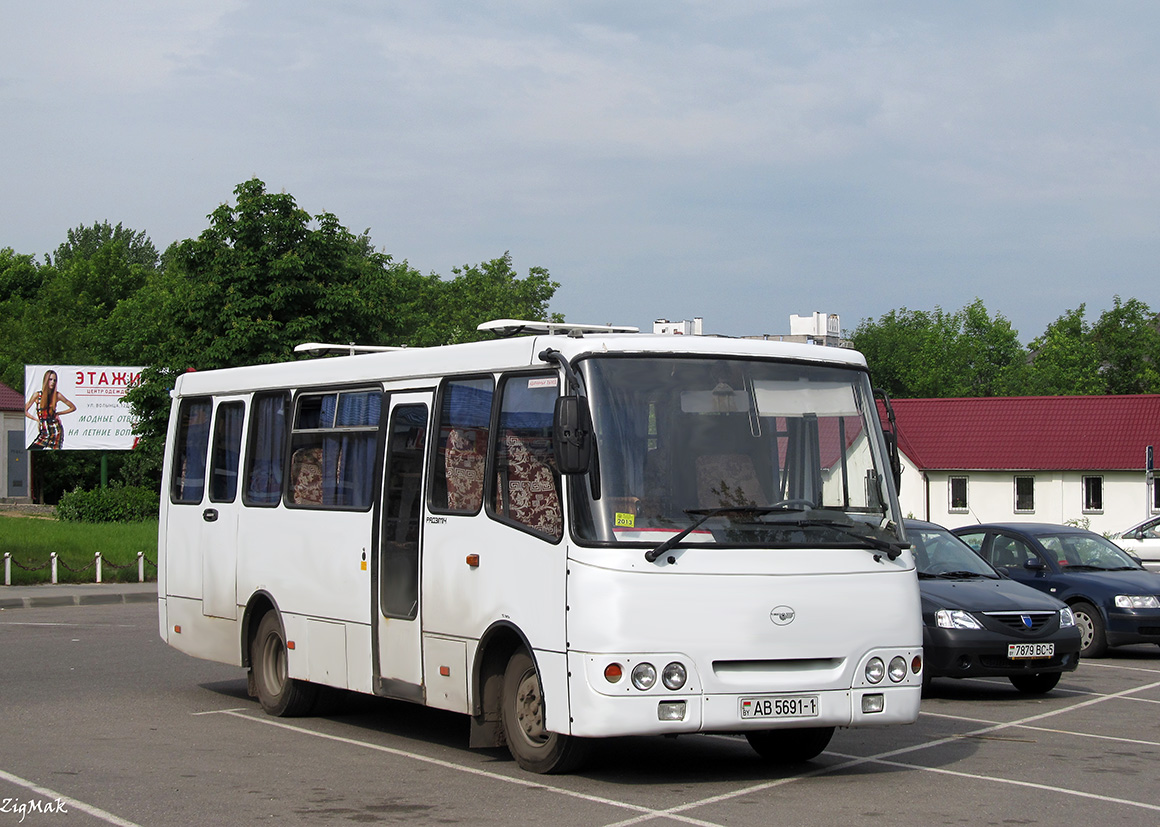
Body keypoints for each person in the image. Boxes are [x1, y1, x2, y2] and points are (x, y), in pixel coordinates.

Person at [25, 369, 77, 449]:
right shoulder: (37, 395)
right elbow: (25, 410)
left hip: (55, 430)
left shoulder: (57, 395)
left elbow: (73, 407)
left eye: (54, 380)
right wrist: (36, 419)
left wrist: (59, 413)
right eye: (50, 379)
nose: (52, 382)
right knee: (34, 448)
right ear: (46, 380)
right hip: (44, 430)